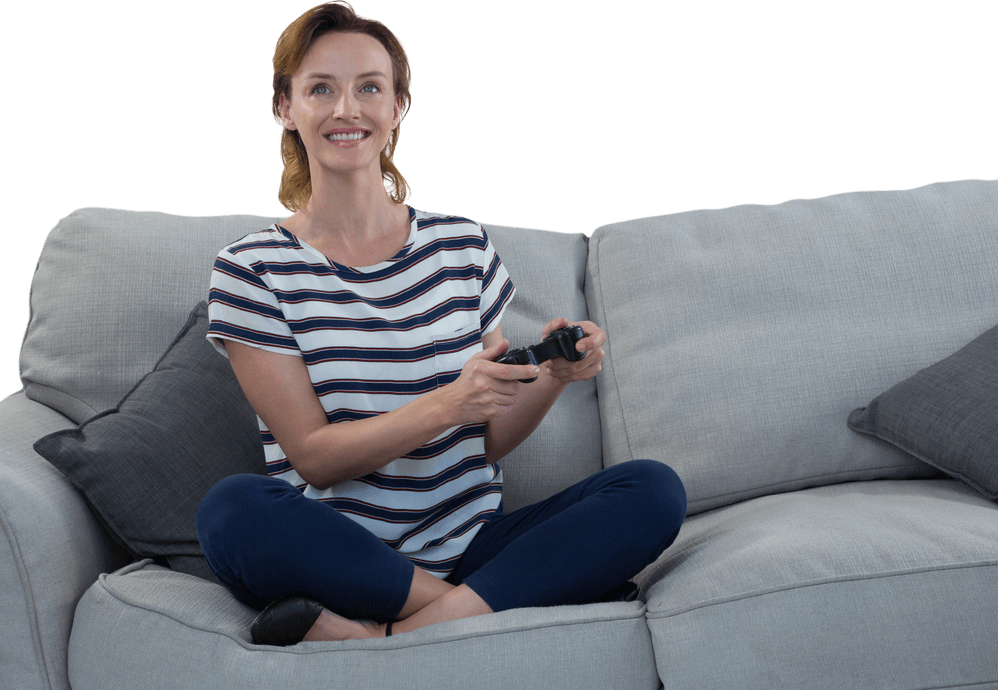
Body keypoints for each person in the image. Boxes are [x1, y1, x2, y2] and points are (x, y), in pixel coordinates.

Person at [196, 1, 686, 645]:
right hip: (344, 557)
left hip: (475, 541)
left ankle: (386, 640)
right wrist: (449, 403)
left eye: (370, 87)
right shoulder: (251, 269)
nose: (348, 109)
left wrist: (553, 378)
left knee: (652, 490)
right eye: (321, 88)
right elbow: (313, 459)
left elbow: (481, 442)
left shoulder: (462, 246)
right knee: (231, 511)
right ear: (286, 109)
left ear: (397, 107)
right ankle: (473, 612)